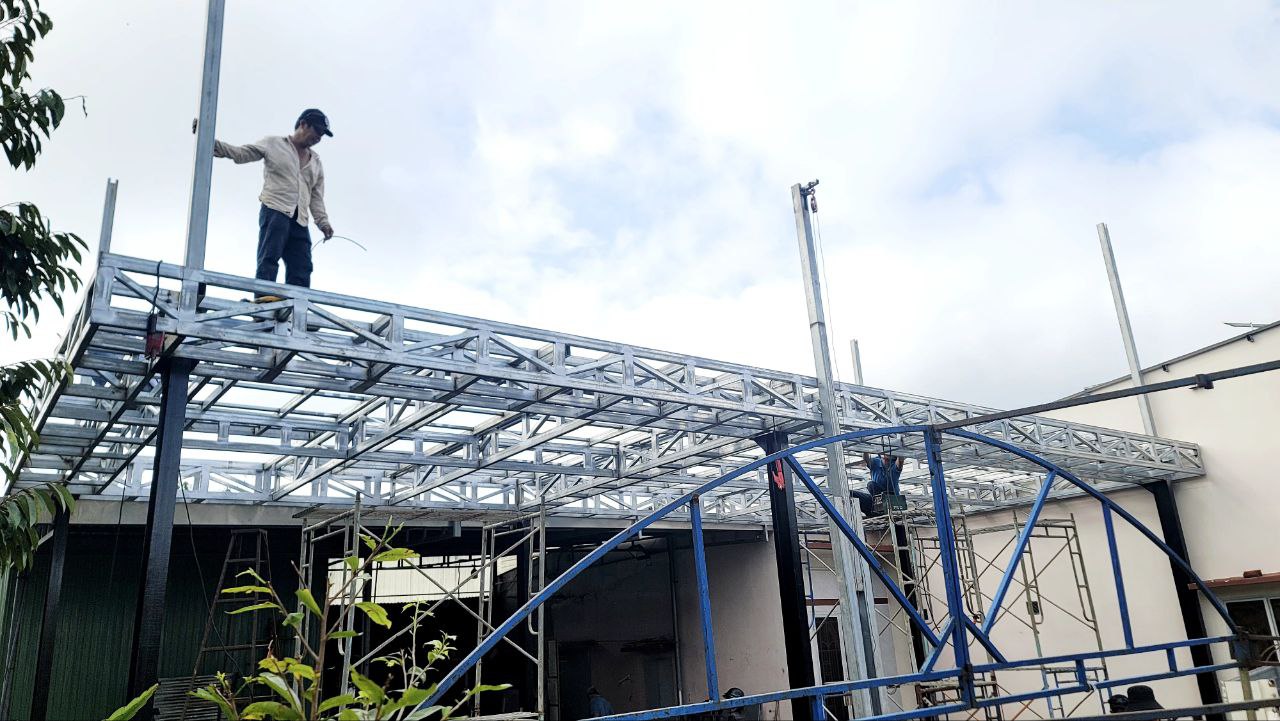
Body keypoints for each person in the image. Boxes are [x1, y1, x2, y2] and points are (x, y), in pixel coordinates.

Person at [212, 109, 335, 301]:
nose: (319, 137)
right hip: (275, 210)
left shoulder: (316, 162)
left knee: (302, 265)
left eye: (322, 134)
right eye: (317, 131)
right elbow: (242, 153)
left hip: (300, 219)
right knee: (269, 257)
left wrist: (323, 222)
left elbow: (316, 196)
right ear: (303, 124)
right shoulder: (274, 143)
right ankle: (263, 299)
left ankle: (295, 305)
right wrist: (211, 142)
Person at [851, 451, 904, 516]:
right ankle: (875, 511)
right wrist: (865, 450)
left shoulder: (894, 466)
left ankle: (881, 509)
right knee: (852, 493)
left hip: (892, 500)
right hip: (876, 501)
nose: (885, 457)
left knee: (871, 485)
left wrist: (899, 450)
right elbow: (866, 460)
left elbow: (900, 461)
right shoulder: (876, 462)